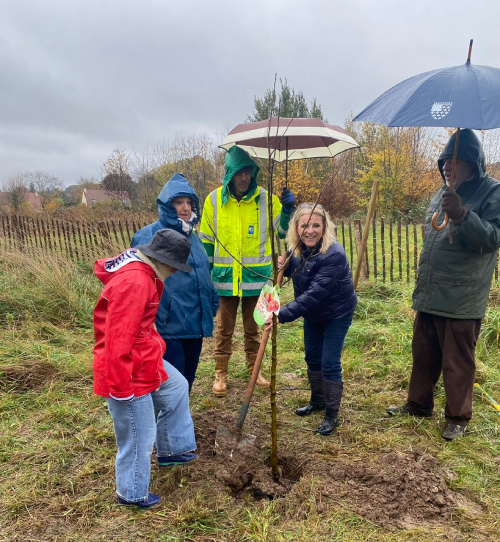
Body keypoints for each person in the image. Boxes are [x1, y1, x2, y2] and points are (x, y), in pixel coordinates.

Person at [388, 129, 500, 441]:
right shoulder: (442, 193)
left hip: (463, 296)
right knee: (423, 353)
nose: (447, 167)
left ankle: (458, 418)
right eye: (444, 162)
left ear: (474, 163)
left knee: (457, 361)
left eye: (455, 161)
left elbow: (493, 238)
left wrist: (463, 215)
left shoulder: (492, 192)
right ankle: (419, 404)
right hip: (432, 291)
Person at [93, 229, 197, 509]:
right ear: (166, 262)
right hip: (125, 370)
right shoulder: (135, 283)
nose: (175, 274)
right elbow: (117, 341)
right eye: (175, 268)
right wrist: (121, 389)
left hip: (143, 357)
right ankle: (132, 492)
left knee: (176, 386)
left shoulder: (146, 274)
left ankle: (173, 449)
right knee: (138, 433)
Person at [199, 146, 296, 397]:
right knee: (224, 329)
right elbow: (206, 242)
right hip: (224, 279)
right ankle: (221, 374)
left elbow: (284, 234)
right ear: (229, 174)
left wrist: (288, 212)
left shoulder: (266, 199)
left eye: (248, 172)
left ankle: (256, 371)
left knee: (258, 327)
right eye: (239, 173)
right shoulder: (213, 201)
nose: (244, 178)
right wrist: (205, 277)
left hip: (261, 279)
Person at [268, 203, 357, 436]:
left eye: (316, 225)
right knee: (312, 357)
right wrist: (284, 267)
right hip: (313, 313)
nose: (310, 230)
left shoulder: (334, 254)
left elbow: (315, 292)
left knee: (329, 362)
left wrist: (281, 314)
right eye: (304, 225)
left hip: (337, 312)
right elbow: (298, 272)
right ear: (296, 228)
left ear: (324, 227)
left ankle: (331, 414)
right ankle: (317, 401)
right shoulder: (296, 249)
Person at [131, 173, 219, 392]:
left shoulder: (193, 238)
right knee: (171, 382)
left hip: (194, 323)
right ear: (167, 205)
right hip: (167, 325)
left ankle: (179, 421)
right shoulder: (147, 236)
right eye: (179, 202)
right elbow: (138, 280)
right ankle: (169, 423)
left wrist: (212, 301)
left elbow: (203, 272)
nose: (185, 208)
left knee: (188, 378)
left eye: (189, 203)